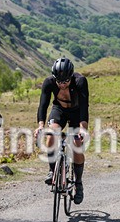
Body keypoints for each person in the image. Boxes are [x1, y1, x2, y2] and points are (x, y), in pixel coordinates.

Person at [35, 58, 89, 204]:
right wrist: (40, 126)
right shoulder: (49, 83)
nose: (62, 84)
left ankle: (78, 183)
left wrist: (83, 129)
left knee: (77, 145)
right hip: (59, 110)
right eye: (59, 81)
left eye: (65, 81)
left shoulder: (80, 81)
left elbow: (84, 107)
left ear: (71, 77)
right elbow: (43, 105)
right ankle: (53, 170)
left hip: (76, 112)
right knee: (51, 135)